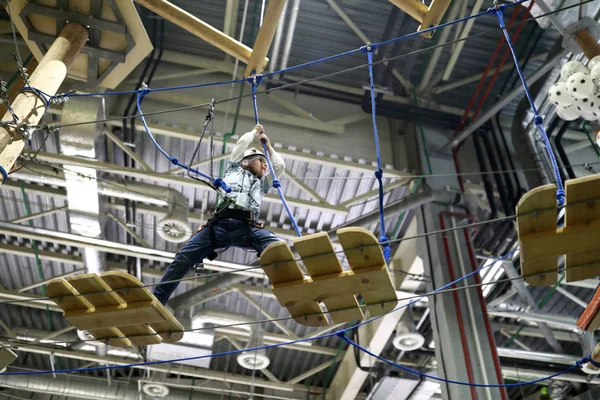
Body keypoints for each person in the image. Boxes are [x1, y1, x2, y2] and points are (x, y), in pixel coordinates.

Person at [153, 124, 285, 305]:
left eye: (265, 162)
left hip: (246, 228)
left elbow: (278, 166)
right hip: (218, 227)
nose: (265, 165)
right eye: (260, 160)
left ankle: (291, 285)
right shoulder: (233, 170)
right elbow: (240, 145)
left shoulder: (262, 184)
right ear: (245, 162)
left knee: (278, 247)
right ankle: (157, 299)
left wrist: (267, 147)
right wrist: (254, 133)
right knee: (183, 258)